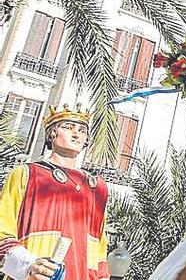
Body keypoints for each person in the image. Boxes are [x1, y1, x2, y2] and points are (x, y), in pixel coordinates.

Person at [0, 104, 110, 280]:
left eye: (82, 131)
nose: (76, 134)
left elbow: (99, 244)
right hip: (36, 273)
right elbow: (2, 229)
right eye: (68, 127)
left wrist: (103, 277)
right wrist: (29, 265)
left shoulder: (98, 187)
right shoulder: (28, 174)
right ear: (52, 133)